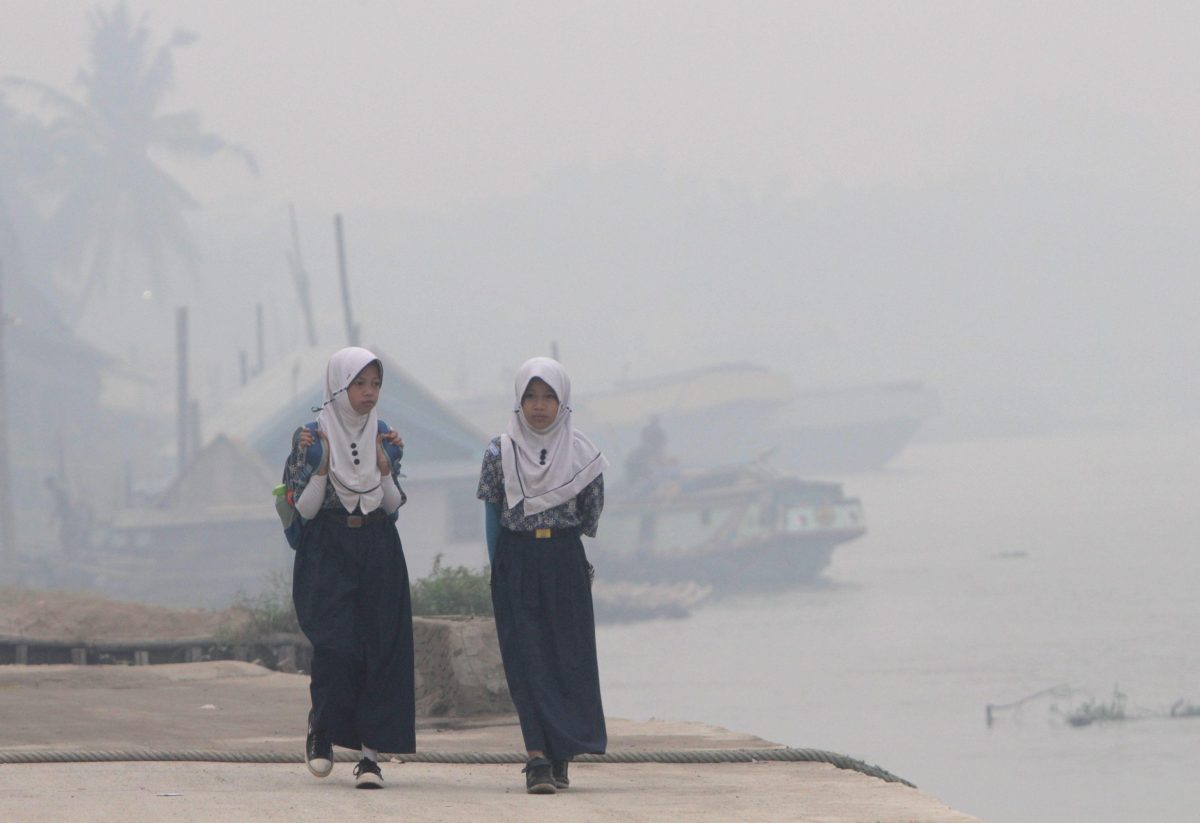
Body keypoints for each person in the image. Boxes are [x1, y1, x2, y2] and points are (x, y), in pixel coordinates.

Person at [476, 356, 610, 794]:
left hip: (564, 560)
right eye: (530, 396)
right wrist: (499, 569)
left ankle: (561, 754)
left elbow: (590, 515)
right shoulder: (499, 452)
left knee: (567, 658)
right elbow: (493, 515)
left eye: (548, 396)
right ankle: (537, 758)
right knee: (525, 660)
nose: (538, 405)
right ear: (518, 400)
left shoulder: (584, 454)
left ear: (563, 401)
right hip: (515, 560)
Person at [286, 346, 414, 789]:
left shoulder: (385, 436)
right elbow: (304, 510)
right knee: (336, 647)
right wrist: (321, 468)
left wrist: (385, 468)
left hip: (378, 547)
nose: (368, 392)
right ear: (339, 385)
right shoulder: (310, 437)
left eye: (375, 384)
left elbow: (392, 505)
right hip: (328, 548)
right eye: (359, 383)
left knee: (380, 649)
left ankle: (370, 757)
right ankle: (321, 729)